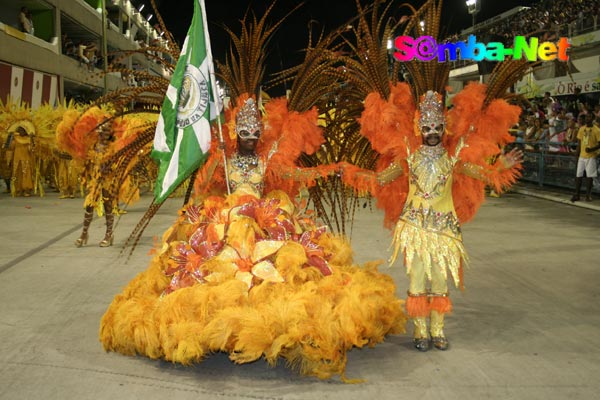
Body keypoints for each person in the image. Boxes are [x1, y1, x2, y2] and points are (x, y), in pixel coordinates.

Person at [99, 97, 407, 380]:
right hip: (227, 225)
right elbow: (203, 190)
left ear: (259, 134)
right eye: (243, 133)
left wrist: (336, 170)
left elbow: (300, 175)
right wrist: (213, 167)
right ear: (235, 134)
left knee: (288, 274)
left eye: (253, 133)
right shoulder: (225, 161)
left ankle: (262, 325)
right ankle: (229, 325)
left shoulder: (266, 162)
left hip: (264, 225)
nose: (249, 138)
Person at [340, 87, 523, 352]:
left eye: (437, 127)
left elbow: (482, 175)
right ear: (419, 129)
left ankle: (437, 331)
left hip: (444, 231)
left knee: (439, 282)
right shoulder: (409, 160)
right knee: (416, 281)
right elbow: (380, 180)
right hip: (414, 229)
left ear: (444, 129)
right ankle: (420, 332)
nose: (433, 133)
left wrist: (501, 167)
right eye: (427, 128)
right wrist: (350, 173)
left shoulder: (453, 161)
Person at [74, 123, 116, 247]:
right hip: (94, 180)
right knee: (89, 206)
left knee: (108, 206)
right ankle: (84, 234)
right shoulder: (93, 146)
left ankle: (109, 234)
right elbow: (88, 162)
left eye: (106, 132)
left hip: (107, 181)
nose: (103, 134)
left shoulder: (113, 148)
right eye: (102, 131)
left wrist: (109, 168)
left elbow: (116, 165)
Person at [571, 113, 600, 202]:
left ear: (593, 119)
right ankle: (577, 194)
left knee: (589, 176)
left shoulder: (597, 130)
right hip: (582, 156)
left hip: (591, 156)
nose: (587, 119)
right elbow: (579, 143)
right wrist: (577, 154)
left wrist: (592, 149)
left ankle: (588, 195)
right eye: (586, 117)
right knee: (578, 175)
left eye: (589, 117)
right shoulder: (581, 129)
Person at [6, 125, 36, 197]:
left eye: (22, 130)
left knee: (26, 175)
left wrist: (31, 139)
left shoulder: (28, 139)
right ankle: (19, 190)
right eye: (19, 130)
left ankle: (27, 190)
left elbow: (31, 149)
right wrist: (9, 138)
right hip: (17, 160)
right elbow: (10, 148)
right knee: (17, 175)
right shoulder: (15, 139)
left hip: (26, 160)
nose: (21, 132)